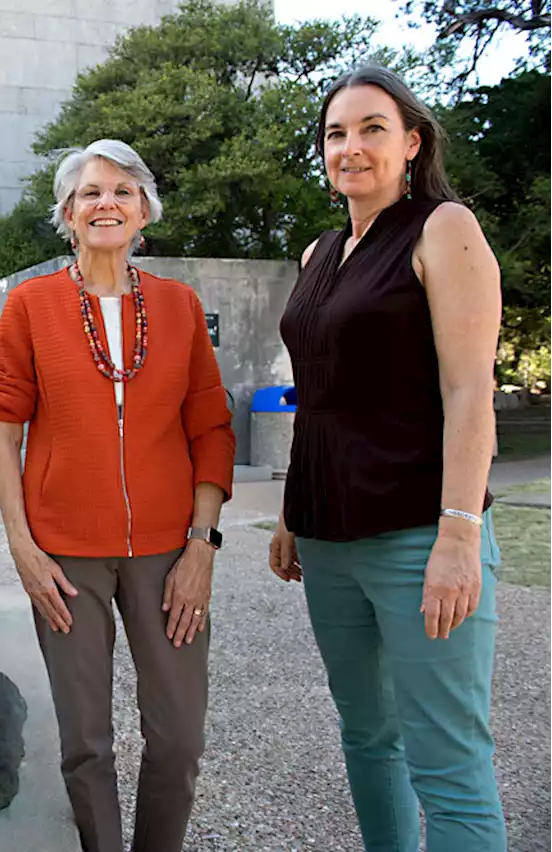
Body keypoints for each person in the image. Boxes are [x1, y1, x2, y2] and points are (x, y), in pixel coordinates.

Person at [270, 64, 507, 851]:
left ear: (411, 142)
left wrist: (460, 534)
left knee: (448, 761)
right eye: (337, 133)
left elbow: (472, 391)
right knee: (368, 739)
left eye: (373, 129)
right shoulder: (318, 253)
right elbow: (318, 396)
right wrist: (286, 516)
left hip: (418, 534)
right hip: (327, 540)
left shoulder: (444, 228)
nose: (352, 147)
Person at [0, 138, 236, 852]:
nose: (107, 203)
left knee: (180, 738)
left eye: (123, 192)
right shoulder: (30, 307)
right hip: (66, 557)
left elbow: (212, 431)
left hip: (169, 553)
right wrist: (22, 546)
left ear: (144, 213)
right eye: (91, 193)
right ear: (68, 214)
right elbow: (5, 431)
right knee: (87, 744)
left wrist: (202, 546)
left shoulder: (179, 307)